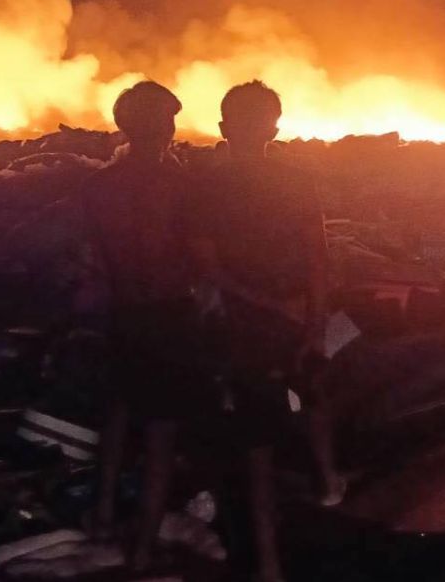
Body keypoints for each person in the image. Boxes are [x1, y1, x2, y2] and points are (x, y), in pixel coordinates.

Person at [186, 81, 340, 582]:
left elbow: (208, 268)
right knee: (312, 391)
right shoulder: (296, 182)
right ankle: (329, 488)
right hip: (288, 318)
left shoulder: (207, 187)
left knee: (258, 449)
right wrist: (314, 322)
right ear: (274, 128)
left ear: (223, 128)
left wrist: (263, 305)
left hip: (247, 327)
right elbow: (318, 258)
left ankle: (269, 565)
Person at [80, 81, 200, 572]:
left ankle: (104, 516)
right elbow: (196, 255)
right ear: (165, 125)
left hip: (122, 313)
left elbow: (92, 257)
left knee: (119, 412)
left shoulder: (99, 185)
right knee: (161, 434)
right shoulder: (179, 184)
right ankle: (144, 551)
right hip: (168, 315)